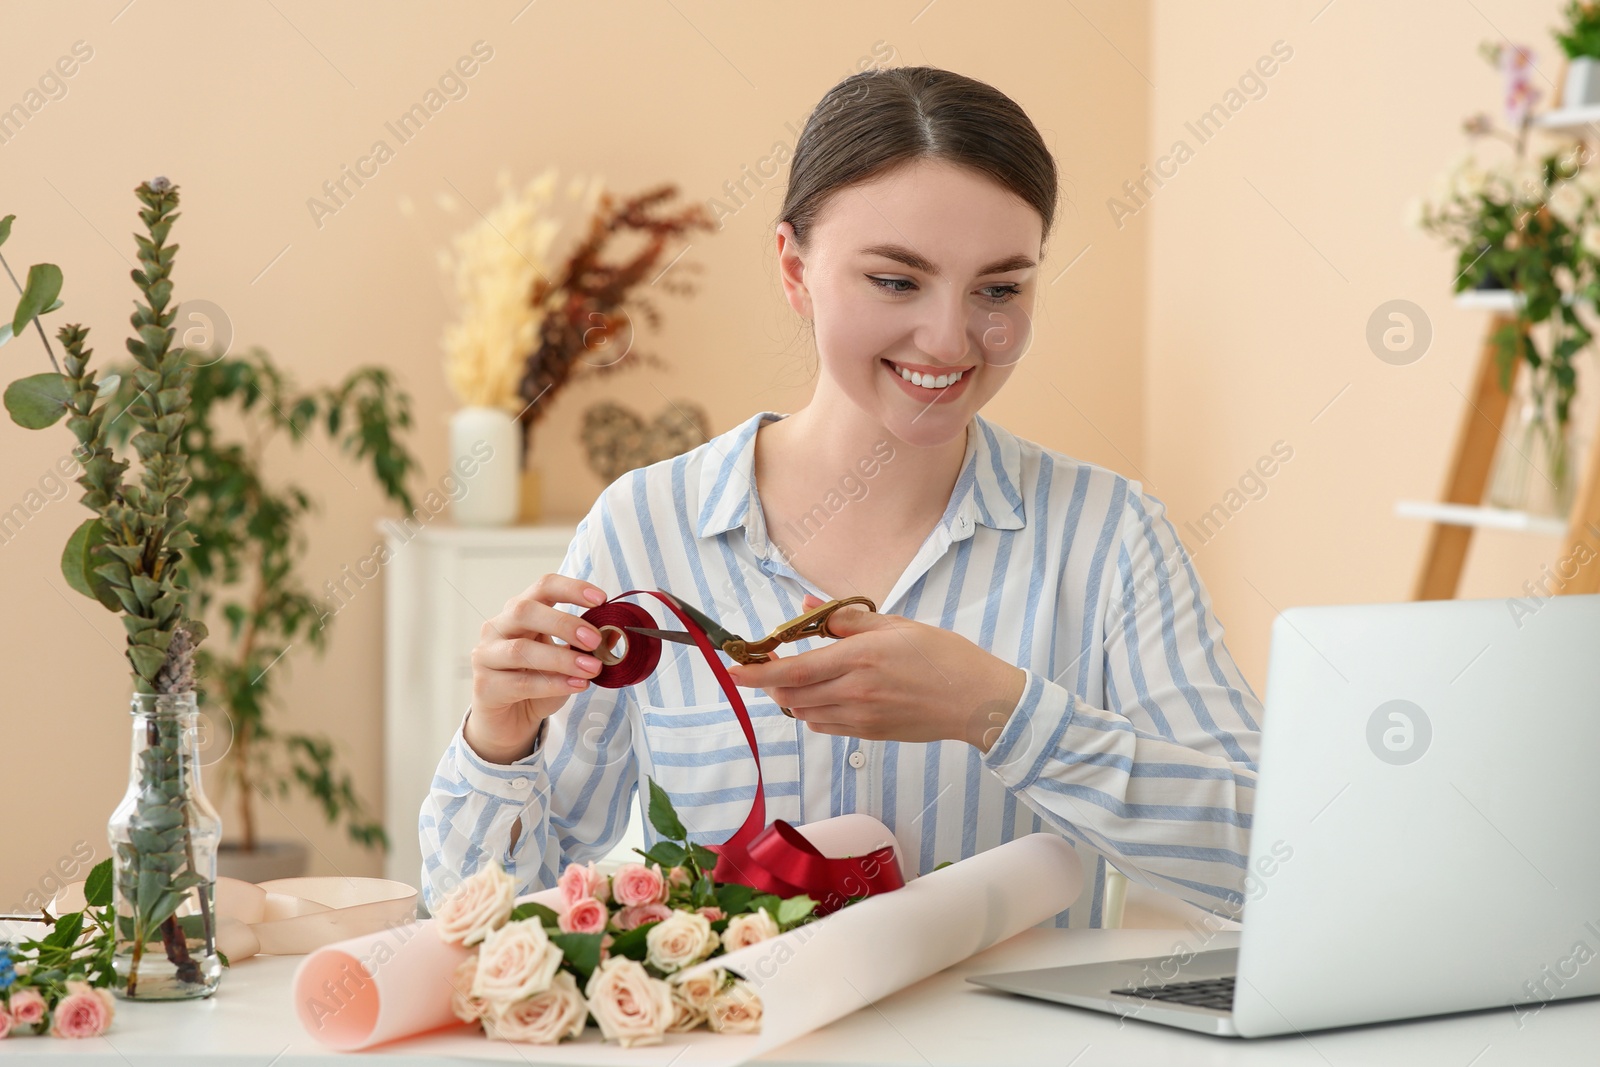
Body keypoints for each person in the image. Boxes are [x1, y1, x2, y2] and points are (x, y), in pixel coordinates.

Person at [420, 65, 1262, 928]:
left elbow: (1272, 858)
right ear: (794, 268)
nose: (950, 337)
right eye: (896, 281)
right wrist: (500, 738)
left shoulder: (1108, 536)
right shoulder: (646, 528)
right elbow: (477, 924)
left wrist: (999, 711)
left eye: (1000, 288)